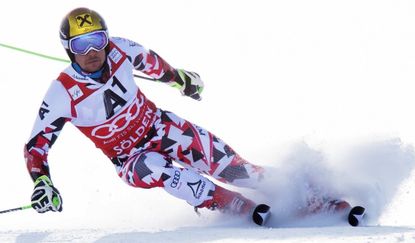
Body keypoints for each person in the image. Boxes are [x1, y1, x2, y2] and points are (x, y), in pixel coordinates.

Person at [25, 7, 271, 225]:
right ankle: (236, 205)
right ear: (69, 49)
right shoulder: (61, 92)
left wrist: (184, 82)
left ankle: (292, 187)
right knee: (161, 171)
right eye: (81, 45)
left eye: (98, 40)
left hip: (161, 127)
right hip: (131, 159)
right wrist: (42, 182)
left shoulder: (120, 49)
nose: (92, 51)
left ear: (107, 39)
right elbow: (35, 148)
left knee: (235, 169)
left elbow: (156, 67)